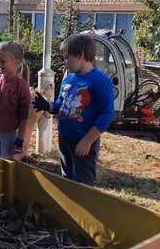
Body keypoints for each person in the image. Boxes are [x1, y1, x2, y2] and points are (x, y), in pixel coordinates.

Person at [32, 34, 115, 186]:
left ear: (81, 55)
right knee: (67, 181)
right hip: (65, 139)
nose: (65, 62)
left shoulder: (100, 81)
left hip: (83, 142)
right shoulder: (68, 79)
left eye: (67, 57)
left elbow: (106, 114)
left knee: (82, 185)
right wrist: (48, 106)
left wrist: (87, 141)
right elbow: (61, 104)